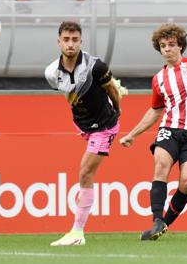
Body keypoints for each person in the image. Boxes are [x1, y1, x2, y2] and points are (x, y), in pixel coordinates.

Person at [120, 23, 187, 241]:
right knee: (160, 165)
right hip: (169, 128)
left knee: (186, 182)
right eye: (163, 46)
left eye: (171, 45)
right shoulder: (158, 79)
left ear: (180, 47)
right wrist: (133, 134)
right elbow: (156, 110)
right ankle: (156, 219)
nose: (167, 49)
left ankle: (162, 225)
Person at [45, 21, 126, 246]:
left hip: (104, 125)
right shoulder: (51, 72)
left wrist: (117, 109)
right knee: (85, 175)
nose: (70, 44)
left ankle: (77, 233)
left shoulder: (96, 66)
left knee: (84, 174)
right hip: (83, 126)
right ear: (59, 41)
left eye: (75, 40)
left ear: (81, 41)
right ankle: (77, 233)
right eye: (66, 39)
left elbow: (111, 90)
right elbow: (69, 94)